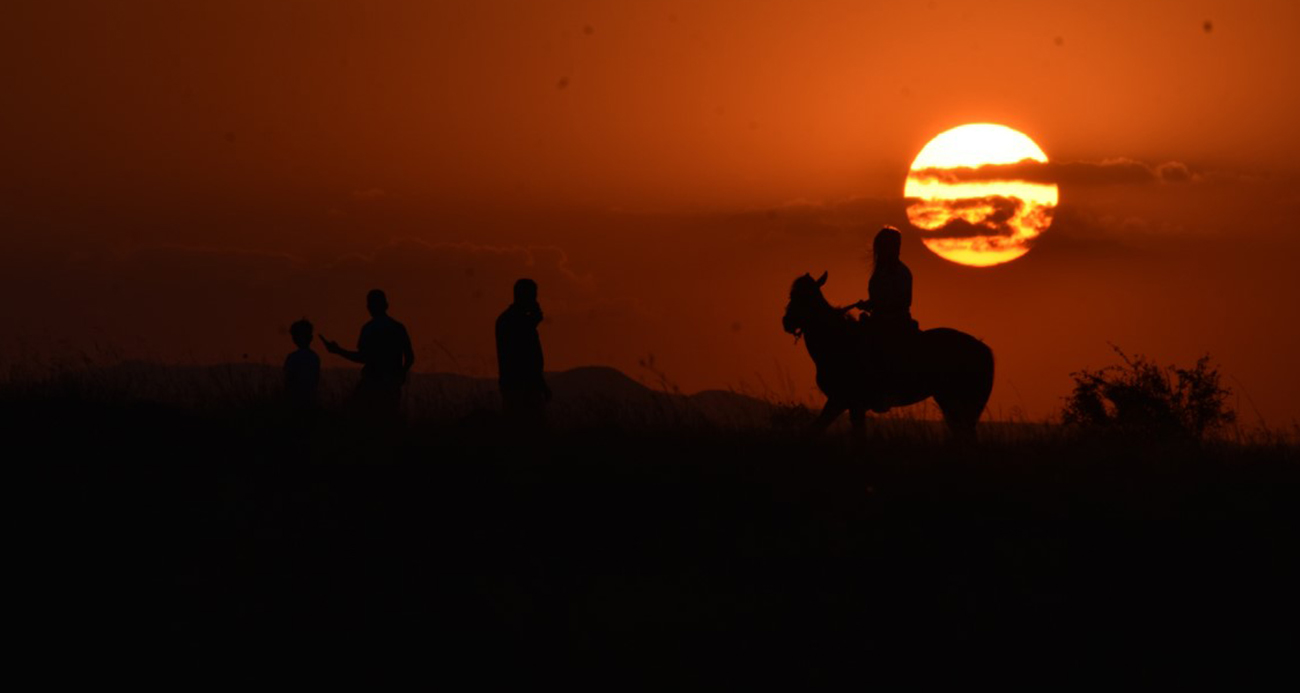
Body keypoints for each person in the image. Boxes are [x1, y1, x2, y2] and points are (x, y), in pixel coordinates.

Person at [322, 289, 415, 419]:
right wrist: (401, 374)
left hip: (372, 383)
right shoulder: (398, 327)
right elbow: (410, 357)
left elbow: (362, 357)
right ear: (386, 305)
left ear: (369, 307)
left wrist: (338, 351)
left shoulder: (369, 328)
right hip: (392, 385)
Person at [854, 226, 918, 412]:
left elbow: (905, 301)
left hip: (895, 323)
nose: (895, 250)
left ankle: (885, 391)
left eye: (896, 245)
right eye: (891, 246)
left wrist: (878, 306)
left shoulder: (902, 273)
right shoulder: (880, 273)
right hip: (880, 320)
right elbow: (879, 298)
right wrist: (869, 304)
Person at [495, 278, 551, 425]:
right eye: (533, 296)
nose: (535, 300)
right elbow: (523, 353)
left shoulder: (506, 319)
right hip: (521, 386)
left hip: (517, 385)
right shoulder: (514, 321)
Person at [283, 317, 320, 408]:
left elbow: (288, 379)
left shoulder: (293, 357)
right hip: (310, 399)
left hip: (294, 400)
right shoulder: (314, 357)